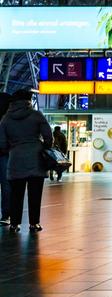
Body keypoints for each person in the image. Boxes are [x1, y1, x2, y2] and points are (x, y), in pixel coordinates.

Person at [0, 89, 53, 232]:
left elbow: (2, 144)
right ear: (29, 101)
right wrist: (43, 146)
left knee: (16, 194)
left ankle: (14, 223)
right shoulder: (36, 115)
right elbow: (48, 137)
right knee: (35, 193)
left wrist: (13, 148)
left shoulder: (6, 119)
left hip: (15, 159)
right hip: (35, 159)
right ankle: (34, 223)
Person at [0, 93, 11, 225]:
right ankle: (6, 215)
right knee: (6, 186)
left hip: (4, 153)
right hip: (5, 155)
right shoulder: (9, 119)